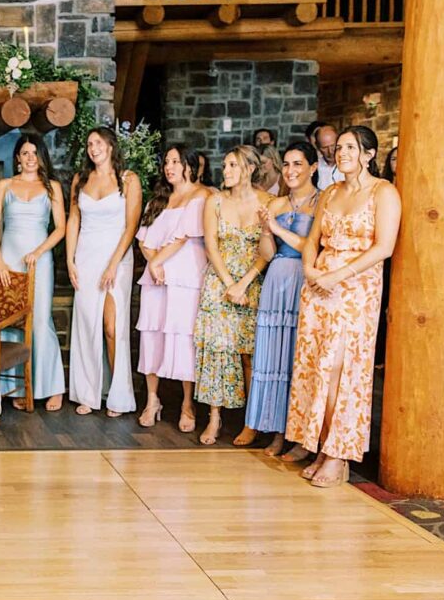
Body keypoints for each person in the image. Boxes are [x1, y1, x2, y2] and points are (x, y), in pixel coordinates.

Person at [282, 126, 401, 487]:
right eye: (341, 147)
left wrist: (340, 276)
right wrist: (310, 269)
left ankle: (340, 453)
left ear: (368, 154)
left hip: (356, 289)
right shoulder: (331, 192)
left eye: (352, 147)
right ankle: (322, 446)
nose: (343, 152)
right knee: (317, 367)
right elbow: (312, 239)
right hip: (319, 287)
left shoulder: (384, 192)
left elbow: (384, 247)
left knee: (342, 369)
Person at [244, 142, 319, 456]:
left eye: (298, 164)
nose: (290, 170)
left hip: (305, 278)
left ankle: (302, 436)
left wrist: (276, 228)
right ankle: (277, 431)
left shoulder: (322, 202)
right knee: (274, 357)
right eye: (286, 164)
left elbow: (310, 246)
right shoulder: (275, 205)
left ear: (313, 168)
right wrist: (265, 231)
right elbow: (268, 253)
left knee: (300, 358)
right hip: (277, 279)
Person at [194, 145, 271, 446]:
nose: (225, 171)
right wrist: (228, 283)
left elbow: (267, 249)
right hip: (219, 281)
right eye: (225, 165)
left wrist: (244, 283)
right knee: (217, 350)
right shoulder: (214, 201)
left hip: (252, 281)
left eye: (233, 165)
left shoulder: (269, 202)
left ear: (250, 169)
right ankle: (214, 418)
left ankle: (251, 422)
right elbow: (210, 245)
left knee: (249, 353)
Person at [0, 133, 67, 411]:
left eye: (35, 153)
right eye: (25, 153)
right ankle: (15, 388)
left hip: (38, 261)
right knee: (10, 319)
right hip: (8, 260)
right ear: (18, 159)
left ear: (41, 157)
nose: (30, 158)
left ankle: (52, 387)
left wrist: (39, 251)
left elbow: (61, 228)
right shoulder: (5, 185)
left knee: (39, 319)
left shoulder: (52, 188)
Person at [66, 127, 141, 416]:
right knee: (86, 324)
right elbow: (74, 220)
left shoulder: (128, 179)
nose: (93, 147)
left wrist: (113, 264)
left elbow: (131, 225)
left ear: (111, 146)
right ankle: (88, 393)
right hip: (85, 256)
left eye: (98, 142)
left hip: (116, 258)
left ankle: (119, 396)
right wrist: (70, 260)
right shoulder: (80, 180)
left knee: (112, 326)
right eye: (89, 143)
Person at [136, 145, 208, 432]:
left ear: (190, 165)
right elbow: (143, 238)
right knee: (151, 335)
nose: (170, 167)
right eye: (166, 161)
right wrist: (154, 263)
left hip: (186, 277)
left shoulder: (202, 196)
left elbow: (182, 237)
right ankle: (152, 400)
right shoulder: (159, 199)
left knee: (182, 337)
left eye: (176, 161)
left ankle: (187, 403)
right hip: (157, 276)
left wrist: (158, 262)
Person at [307, 122, 340, 189]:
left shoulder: (351, 165)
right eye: (324, 147)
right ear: (317, 146)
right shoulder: (314, 168)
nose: (330, 151)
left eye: (333, 146)